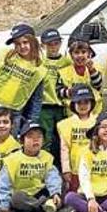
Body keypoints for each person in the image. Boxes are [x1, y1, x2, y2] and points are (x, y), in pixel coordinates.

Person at [0, 23, 46, 142]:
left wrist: (32, 119)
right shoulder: (6, 56)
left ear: (33, 42)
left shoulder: (39, 69)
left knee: (11, 143)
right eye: (17, 44)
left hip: (14, 111)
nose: (22, 46)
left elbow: (37, 98)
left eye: (25, 42)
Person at [0, 122, 62, 212]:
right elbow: (4, 184)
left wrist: (55, 193)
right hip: (23, 194)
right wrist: (4, 204)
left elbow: (52, 177)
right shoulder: (12, 159)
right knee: (16, 198)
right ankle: (44, 204)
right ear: (22, 141)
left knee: (61, 184)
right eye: (30, 136)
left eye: (39, 137)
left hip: (40, 191)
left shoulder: (46, 157)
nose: (35, 140)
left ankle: (49, 202)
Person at [57, 84, 99, 193]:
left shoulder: (98, 121)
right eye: (79, 102)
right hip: (75, 168)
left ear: (92, 103)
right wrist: (66, 169)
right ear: (73, 104)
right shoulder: (66, 124)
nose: (82, 105)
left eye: (86, 102)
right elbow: (64, 148)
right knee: (75, 193)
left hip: (94, 168)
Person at [38, 29, 71, 161]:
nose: (53, 47)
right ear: (43, 46)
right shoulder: (41, 62)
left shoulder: (66, 62)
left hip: (62, 105)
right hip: (45, 104)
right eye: (49, 44)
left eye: (56, 43)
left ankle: (63, 165)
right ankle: (45, 164)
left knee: (63, 137)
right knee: (46, 137)